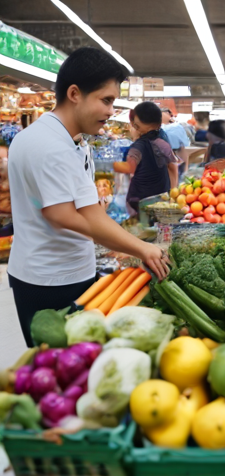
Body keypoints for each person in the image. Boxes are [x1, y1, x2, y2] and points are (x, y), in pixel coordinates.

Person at [8, 47, 169, 346]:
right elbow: (62, 214)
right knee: (60, 363)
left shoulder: (63, 138)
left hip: (56, 270)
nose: (111, 111)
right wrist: (141, 249)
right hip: (51, 279)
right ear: (74, 94)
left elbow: (77, 207)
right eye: (106, 100)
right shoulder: (51, 145)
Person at [113, 102, 179, 214]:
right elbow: (173, 166)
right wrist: (172, 194)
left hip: (140, 202)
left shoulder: (137, 147)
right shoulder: (162, 141)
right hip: (161, 198)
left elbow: (128, 172)